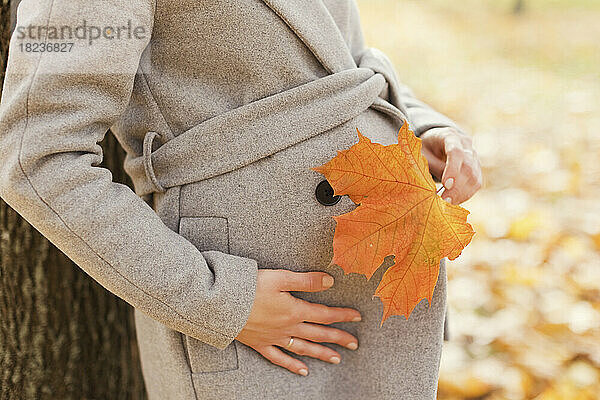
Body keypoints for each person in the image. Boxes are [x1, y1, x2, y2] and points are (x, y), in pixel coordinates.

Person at [0, 0, 482, 398]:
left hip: (376, 298)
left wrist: (421, 127)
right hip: (250, 324)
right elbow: (36, 157)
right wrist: (218, 299)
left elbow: (344, 60)